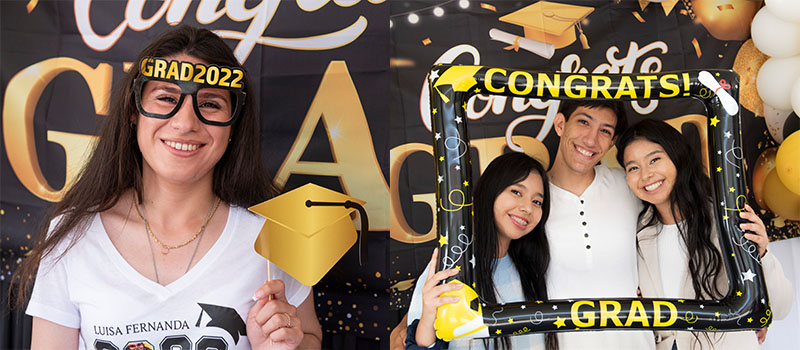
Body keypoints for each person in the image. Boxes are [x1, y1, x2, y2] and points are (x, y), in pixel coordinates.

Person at [12, 25, 322, 349]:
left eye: (211, 104)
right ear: (134, 112)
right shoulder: (72, 236)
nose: (185, 123)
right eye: (166, 98)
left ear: (234, 123)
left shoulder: (275, 237)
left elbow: (310, 338)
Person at [616, 119, 793, 350]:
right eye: (633, 167)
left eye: (654, 159)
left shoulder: (726, 221)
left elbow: (779, 308)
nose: (646, 174)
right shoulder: (638, 232)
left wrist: (762, 254)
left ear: (677, 157)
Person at [405, 152, 557, 350]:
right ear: (490, 191)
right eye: (516, 192)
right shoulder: (451, 266)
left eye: (537, 201)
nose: (527, 208)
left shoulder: (533, 269)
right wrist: (427, 318)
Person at [544, 99, 655, 349]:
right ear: (560, 124)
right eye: (584, 122)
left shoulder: (630, 184)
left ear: (613, 142)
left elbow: (683, 224)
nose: (591, 140)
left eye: (605, 131)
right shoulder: (532, 199)